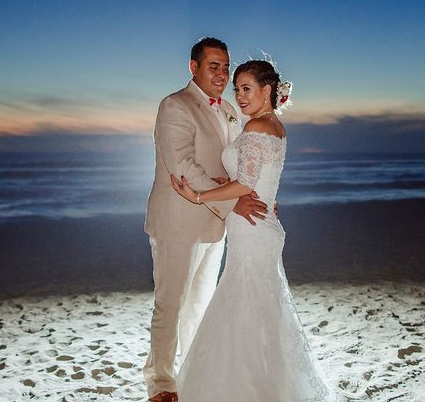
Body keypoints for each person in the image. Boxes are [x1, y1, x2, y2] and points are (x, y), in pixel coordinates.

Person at [170, 59, 335, 402]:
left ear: (267, 90)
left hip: (251, 228)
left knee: (245, 304)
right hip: (261, 225)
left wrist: (198, 195)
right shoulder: (274, 126)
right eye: (237, 89)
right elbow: (257, 180)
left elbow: (246, 184)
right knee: (260, 305)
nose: (240, 96)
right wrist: (226, 184)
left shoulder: (256, 128)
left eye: (247, 89)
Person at [143, 38, 270, 402]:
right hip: (179, 220)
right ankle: (161, 384)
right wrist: (234, 203)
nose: (221, 73)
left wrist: (254, 195)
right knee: (171, 303)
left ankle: (192, 374)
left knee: (200, 305)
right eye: (213, 65)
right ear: (193, 67)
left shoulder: (230, 110)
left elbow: (237, 164)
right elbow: (182, 167)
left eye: (225, 67)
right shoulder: (175, 105)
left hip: (214, 224)